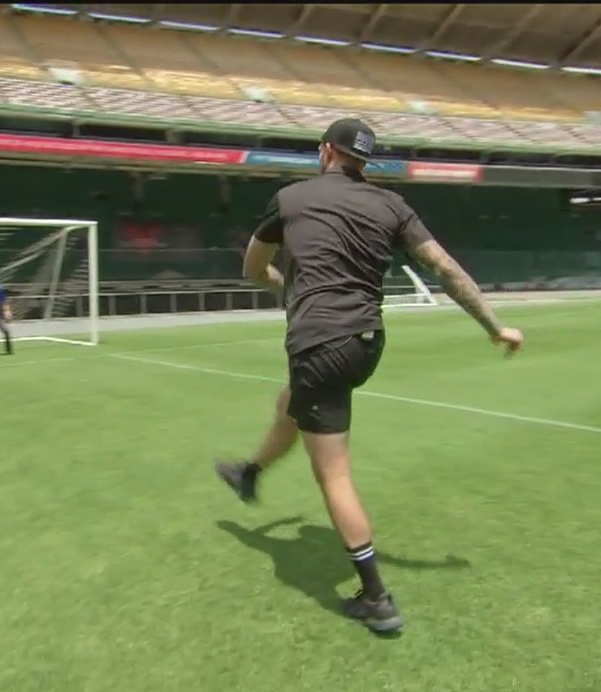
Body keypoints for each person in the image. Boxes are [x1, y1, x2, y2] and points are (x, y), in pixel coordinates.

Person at [213, 118, 524, 634]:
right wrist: (495, 326)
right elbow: (444, 267)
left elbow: (253, 269)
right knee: (293, 400)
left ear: (324, 152)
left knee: (332, 473)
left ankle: (376, 597)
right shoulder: (391, 206)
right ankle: (250, 473)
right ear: (364, 161)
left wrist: (288, 289)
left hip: (320, 342)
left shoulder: (290, 199)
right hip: (365, 342)